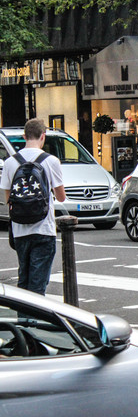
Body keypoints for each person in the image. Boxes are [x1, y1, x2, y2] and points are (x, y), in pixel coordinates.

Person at [0, 119, 66, 295]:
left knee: (24, 280)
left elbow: (8, 199)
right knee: (37, 286)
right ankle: (33, 322)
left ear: (24, 136)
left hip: (20, 230)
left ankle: (23, 321)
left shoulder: (10, 162)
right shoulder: (51, 161)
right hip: (44, 229)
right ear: (43, 136)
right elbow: (61, 197)